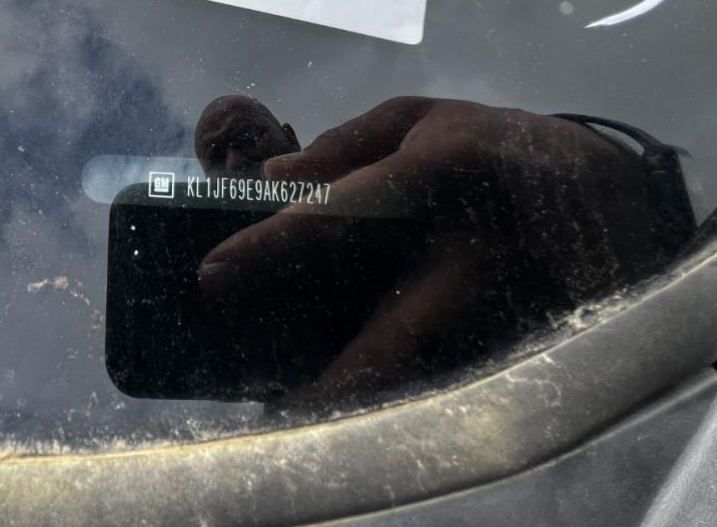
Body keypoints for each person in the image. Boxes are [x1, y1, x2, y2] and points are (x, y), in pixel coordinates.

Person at [190, 95, 692, 406]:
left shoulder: (399, 168)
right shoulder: (209, 286)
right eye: (216, 154)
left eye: (248, 135)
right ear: (205, 178)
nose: (235, 159)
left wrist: (625, 195)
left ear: (290, 136)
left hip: (607, 389)